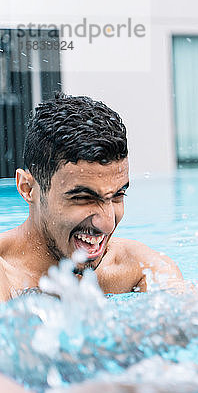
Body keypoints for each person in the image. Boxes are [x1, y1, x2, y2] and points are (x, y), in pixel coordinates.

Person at [0, 93, 183, 300]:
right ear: (28, 188)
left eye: (117, 195)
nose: (106, 223)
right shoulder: (5, 275)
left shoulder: (138, 269)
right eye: (83, 198)